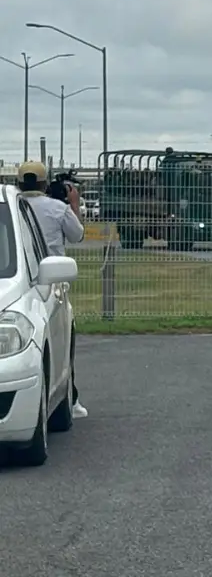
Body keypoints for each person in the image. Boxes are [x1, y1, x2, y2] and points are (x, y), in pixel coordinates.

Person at [17, 161, 88, 419]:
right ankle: (69, 397)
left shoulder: (14, 208)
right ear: (45, 184)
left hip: (21, 280)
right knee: (62, 341)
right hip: (53, 281)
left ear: (18, 183)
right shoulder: (58, 208)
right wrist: (73, 204)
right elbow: (77, 235)